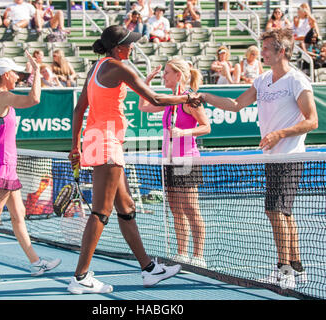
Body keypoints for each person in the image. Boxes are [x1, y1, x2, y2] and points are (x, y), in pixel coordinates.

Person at [67, 25, 204, 294]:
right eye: (128, 44)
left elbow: (79, 108)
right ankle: (80, 277)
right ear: (118, 48)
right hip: (107, 142)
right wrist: (188, 97)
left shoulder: (95, 69)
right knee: (100, 212)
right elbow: (153, 97)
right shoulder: (120, 68)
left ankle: (149, 269)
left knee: (126, 207)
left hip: (96, 139)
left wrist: (75, 147)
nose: (132, 48)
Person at [200, 28, 318, 290]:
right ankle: (297, 268)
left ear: (282, 51)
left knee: (275, 210)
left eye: (266, 48)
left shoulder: (297, 81)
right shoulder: (262, 80)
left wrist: (280, 134)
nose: (261, 52)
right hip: (272, 157)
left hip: (290, 155)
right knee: (284, 212)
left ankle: (283, 270)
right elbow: (235, 104)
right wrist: (206, 97)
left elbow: (312, 120)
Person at [0, 52, 61, 282]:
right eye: (15, 73)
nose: (18, 77)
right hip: (1, 164)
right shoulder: (3, 97)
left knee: (19, 215)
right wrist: (36, 72)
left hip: (5, 163)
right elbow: (34, 99)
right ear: (6, 75)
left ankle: (36, 263)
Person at [138, 59, 210, 267]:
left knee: (191, 208)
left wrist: (184, 132)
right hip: (168, 160)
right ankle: (182, 253)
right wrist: (147, 82)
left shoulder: (190, 100)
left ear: (178, 75)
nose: (164, 76)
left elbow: (206, 127)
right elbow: (144, 106)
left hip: (187, 158)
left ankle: (198, 256)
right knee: (175, 208)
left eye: (167, 72)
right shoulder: (170, 101)